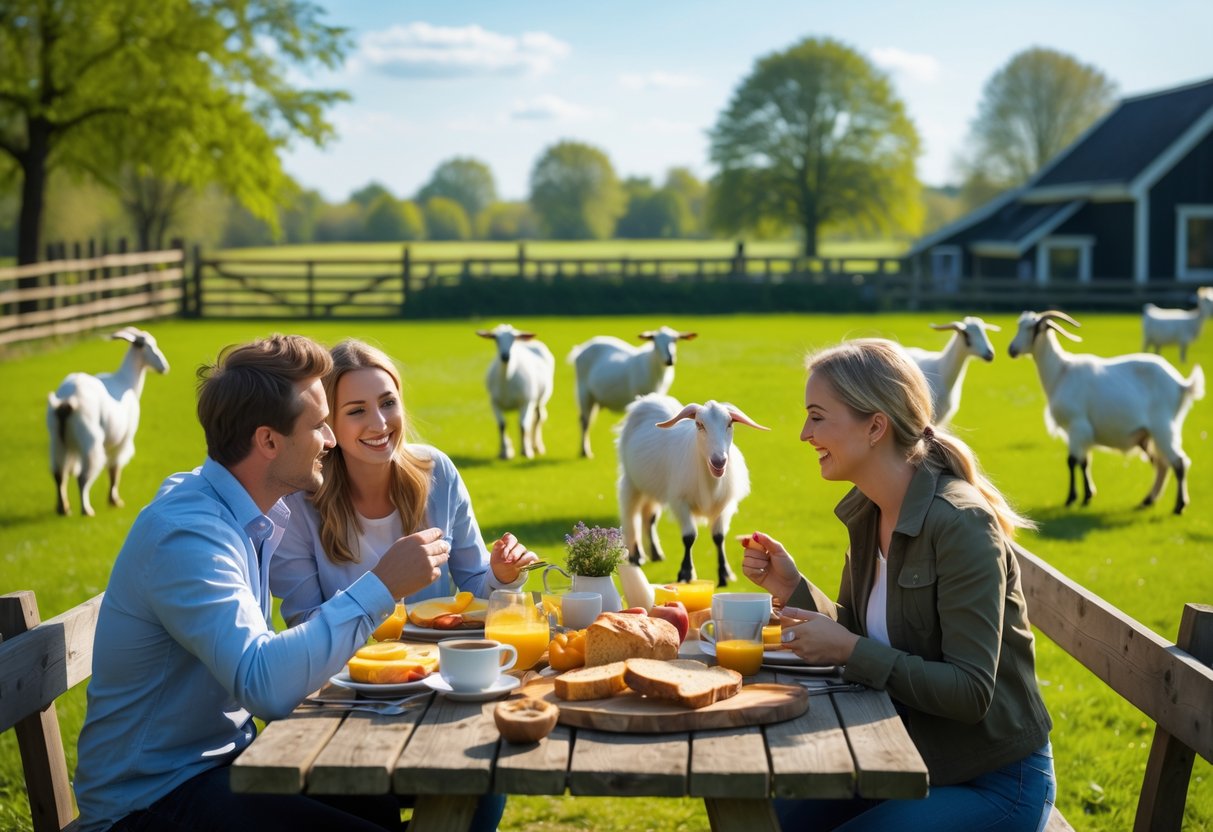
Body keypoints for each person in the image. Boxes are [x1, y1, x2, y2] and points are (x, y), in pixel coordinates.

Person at [75, 334, 451, 832]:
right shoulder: (188, 536)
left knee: (405, 792)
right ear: (269, 441)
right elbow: (265, 686)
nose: (332, 440)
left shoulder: (244, 514)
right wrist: (380, 586)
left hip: (221, 768)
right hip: (149, 803)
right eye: (319, 425)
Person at [740, 338, 1055, 832]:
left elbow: (971, 691)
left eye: (818, 417)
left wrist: (848, 650)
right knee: (762, 819)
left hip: (993, 780)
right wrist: (793, 587)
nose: (804, 433)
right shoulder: (870, 510)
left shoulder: (960, 524)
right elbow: (867, 635)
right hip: (909, 758)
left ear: (875, 427)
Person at [270, 338, 538, 628]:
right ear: (328, 422)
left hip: (439, 666)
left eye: (388, 403)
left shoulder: (437, 473)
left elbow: (474, 585)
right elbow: (304, 625)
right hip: (349, 671)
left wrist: (501, 575)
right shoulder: (296, 503)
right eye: (356, 410)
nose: (380, 423)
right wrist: (382, 587)